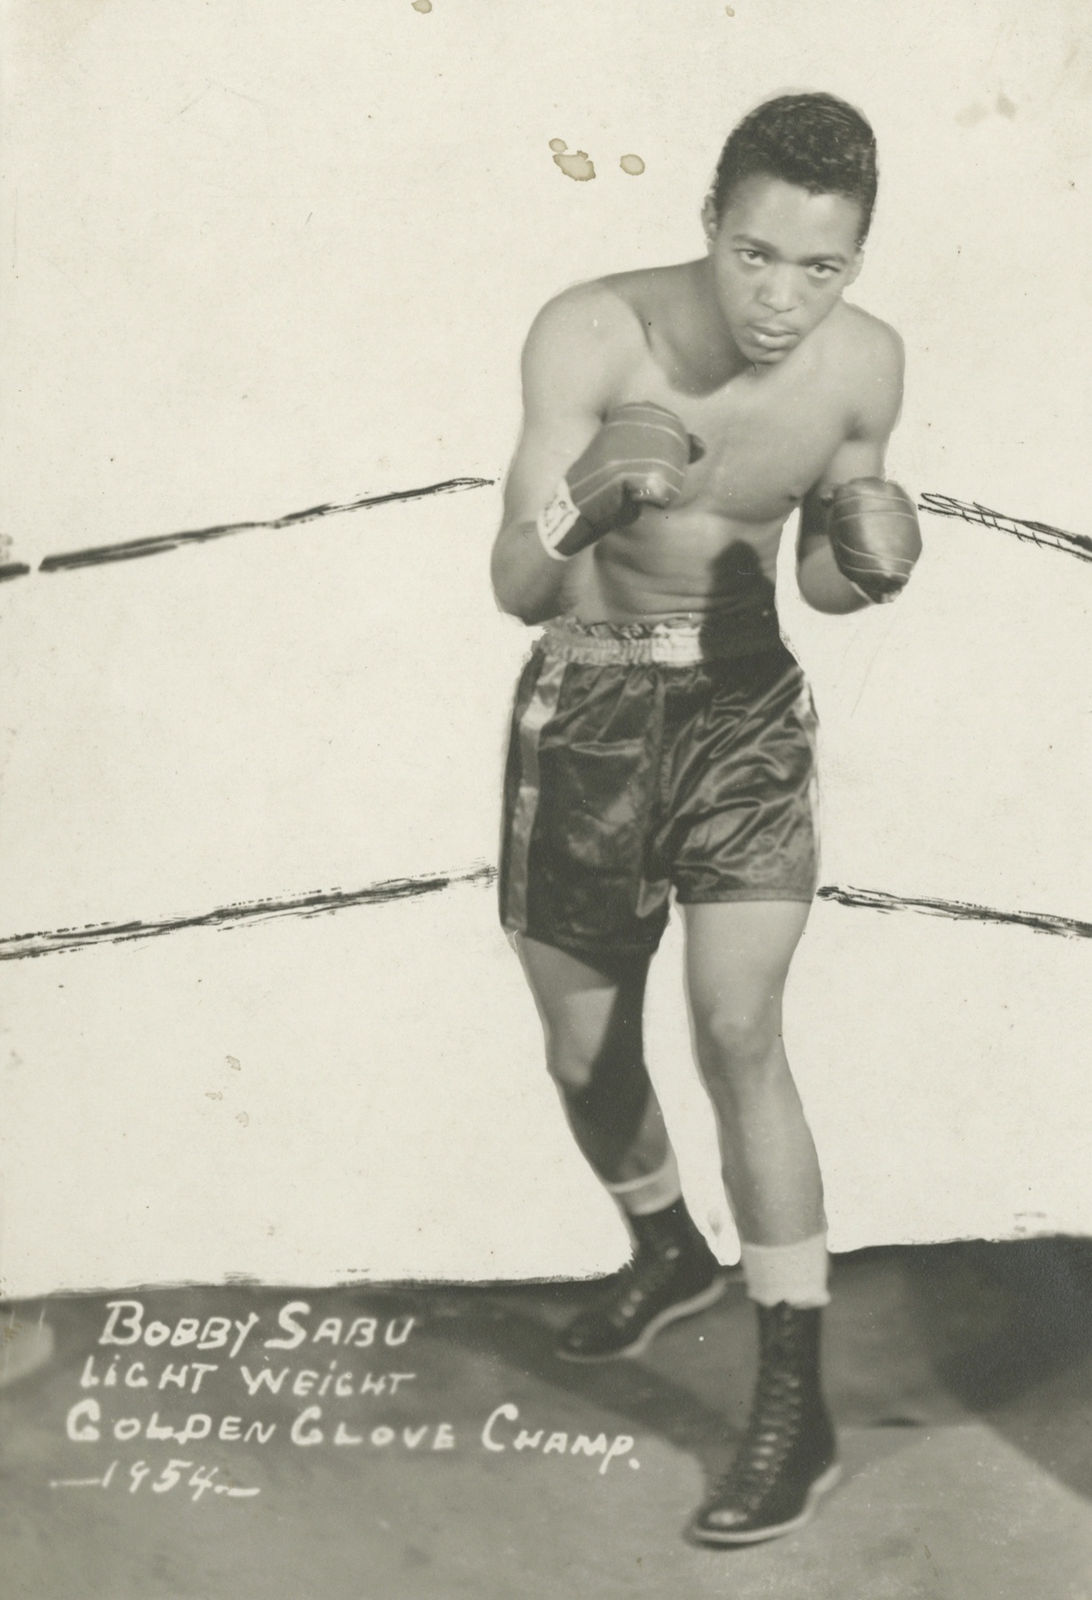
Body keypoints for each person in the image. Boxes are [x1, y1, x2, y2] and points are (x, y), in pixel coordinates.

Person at [490, 91, 921, 1545]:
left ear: (858, 259)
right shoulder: (590, 331)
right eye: (756, 257)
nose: (785, 300)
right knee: (583, 1045)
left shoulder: (865, 370)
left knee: (740, 1028)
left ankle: (792, 1405)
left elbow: (818, 584)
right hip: (595, 692)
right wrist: (581, 511)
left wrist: (868, 558)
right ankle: (666, 1246)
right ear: (708, 225)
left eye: (823, 267)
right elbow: (514, 585)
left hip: (741, 708)